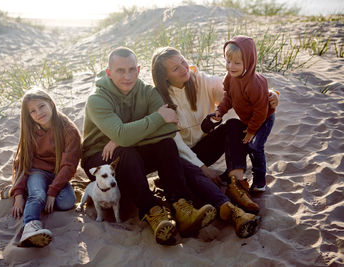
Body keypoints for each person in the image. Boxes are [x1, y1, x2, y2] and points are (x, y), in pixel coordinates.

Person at [81, 47, 260, 245]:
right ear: (109, 72)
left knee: (166, 145)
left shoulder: (147, 93)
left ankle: (182, 208)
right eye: (120, 71)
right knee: (126, 151)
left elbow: (167, 132)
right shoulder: (97, 99)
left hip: (131, 151)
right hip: (99, 159)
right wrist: (139, 127)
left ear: (139, 70)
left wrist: (127, 135)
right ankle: (153, 212)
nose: (127, 76)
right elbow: (127, 135)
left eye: (132, 69)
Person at [151, 47, 279, 212]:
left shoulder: (201, 79)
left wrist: (270, 93)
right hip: (181, 158)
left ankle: (236, 184)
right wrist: (203, 168)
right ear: (164, 76)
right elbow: (175, 144)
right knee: (188, 174)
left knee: (234, 125)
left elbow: (234, 91)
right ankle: (222, 205)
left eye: (183, 61)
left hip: (205, 148)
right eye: (176, 68)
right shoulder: (158, 98)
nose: (184, 68)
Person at [9, 87, 81, 247]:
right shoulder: (31, 130)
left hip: (58, 173)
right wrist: (19, 195)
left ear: (51, 104)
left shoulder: (68, 130)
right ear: (29, 116)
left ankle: (40, 192)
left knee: (67, 202)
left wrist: (53, 191)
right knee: (37, 195)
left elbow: (69, 166)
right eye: (33, 111)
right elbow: (22, 162)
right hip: (36, 171)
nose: (39, 113)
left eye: (41, 106)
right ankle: (31, 227)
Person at [214, 35, 276, 192]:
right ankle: (232, 171)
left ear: (248, 62)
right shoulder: (230, 77)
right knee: (238, 141)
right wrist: (220, 110)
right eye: (228, 62)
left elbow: (261, 111)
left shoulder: (255, 83)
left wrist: (251, 131)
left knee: (255, 146)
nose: (231, 66)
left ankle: (260, 180)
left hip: (263, 119)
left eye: (237, 63)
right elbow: (228, 96)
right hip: (248, 118)